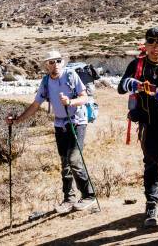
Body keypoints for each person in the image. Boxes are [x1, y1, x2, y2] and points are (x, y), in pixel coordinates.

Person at [8, 50, 96, 213]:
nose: (55, 64)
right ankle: (68, 199)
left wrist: (70, 101)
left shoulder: (71, 76)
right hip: (60, 124)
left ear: (62, 62)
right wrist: (18, 120)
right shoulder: (46, 81)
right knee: (64, 162)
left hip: (77, 121)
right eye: (51, 62)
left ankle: (88, 195)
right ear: (46, 65)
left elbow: (84, 98)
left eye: (57, 61)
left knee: (74, 159)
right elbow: (35, 105)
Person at [117, 27, 158, 228]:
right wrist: (133, 84)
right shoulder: (137, 65)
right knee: (151, 165)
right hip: (148, 125)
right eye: (151, 43)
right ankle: (152, 204)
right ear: (145, 45)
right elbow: (121, 87)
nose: (155, 48)